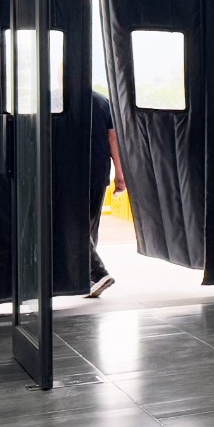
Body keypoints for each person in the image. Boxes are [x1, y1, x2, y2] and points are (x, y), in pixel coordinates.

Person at [87, 90, 125, 298]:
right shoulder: (102, 101)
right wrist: (119, 173)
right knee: (90, 224)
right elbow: (113, 138)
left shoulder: (56, 100)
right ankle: (89, 279)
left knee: (72, 225)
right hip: (99, 170)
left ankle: (97, 273)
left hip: (67, 172)